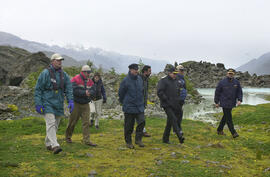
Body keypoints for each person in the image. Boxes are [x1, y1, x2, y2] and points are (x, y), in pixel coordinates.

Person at [34, 53, 74, 154]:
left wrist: (70, 101)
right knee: (51, 123)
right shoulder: (45, 73)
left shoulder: (64, 75)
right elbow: (38, 89)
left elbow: (69, 88)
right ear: (52, 61)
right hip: (47, 102)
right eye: (58, 60)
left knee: (55, 125)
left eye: (61, 60)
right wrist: (38, 104)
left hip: (59, 103)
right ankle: (55, 145)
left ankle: (48, 143)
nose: (60, 62)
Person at [65, 65, 97, 146]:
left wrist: (90, 93)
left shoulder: (90, 81)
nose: (88, 74)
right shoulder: (75, 79)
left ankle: (86, 140)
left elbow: (94, 89)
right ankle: (68, 137)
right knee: (72, 121)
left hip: (86, 104)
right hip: (76, 103)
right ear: (83, 72)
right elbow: (73, 90)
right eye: (87, 72)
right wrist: (84, 93)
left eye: (89, 72)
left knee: (86, 122)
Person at [118, 63, 145, 149]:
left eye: (137, 69)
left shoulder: (140, 79)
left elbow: (142, 91)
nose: (136, 71)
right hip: (129, 106)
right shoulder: (125, 80)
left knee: (142, 122)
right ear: (130, 70)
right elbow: (121, 93)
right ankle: (128, 142)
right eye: (135, 69)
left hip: (139, 106)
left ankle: (138, 140)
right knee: (129, 125)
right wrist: (124, 102)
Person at [157, 65, 185, 144]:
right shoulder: (163, 81)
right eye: (174, 74)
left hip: (175, 104)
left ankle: (165, 139)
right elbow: (159, 92)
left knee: (169, 122)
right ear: (169, 73)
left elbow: (179, 91)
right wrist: (166, 99)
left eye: (176, 74)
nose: (175, 75)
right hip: (166, 105)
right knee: (173, 119)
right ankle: (179, 136)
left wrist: (179, 100)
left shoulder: (176, 80)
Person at [214, 68, 243, 138]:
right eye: (229, 73)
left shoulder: (236, 82)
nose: (230, 75)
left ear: (234, 74)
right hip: (224, 102)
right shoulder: (222, 82)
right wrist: (216, 102)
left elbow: (239, 92)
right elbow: (217, 92)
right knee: (229, 117)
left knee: (225, 117)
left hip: (232, 102)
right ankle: (233, 133)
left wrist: (240, 100)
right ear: (227, 74)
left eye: (232, 74)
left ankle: (219, 129)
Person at [139, 65, 152, 137]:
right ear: (145, 71)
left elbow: (145, 92)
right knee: (141, 118)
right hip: (138, 102)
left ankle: (142, 130)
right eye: (149, 71)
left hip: (143, 102)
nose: (151, 73)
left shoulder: (146, 79)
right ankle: (143, 131)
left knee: (140, 117)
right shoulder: (139, 79)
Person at [175, 64, 187, 130]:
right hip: (177, 99)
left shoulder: (182, 78)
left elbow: (184, 88)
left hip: (181, 99)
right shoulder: (176, 78)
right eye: (181, 70)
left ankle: (176, 128)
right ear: (177, 70)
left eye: (183, 70)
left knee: (178, 114)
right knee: (178, 114)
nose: (182, 72)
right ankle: (177, 129)